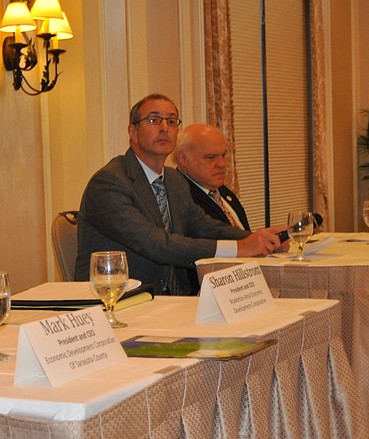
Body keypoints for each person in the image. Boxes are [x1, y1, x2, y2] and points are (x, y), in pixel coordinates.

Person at [75, 94, 285, 296]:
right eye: (154, 120)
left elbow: (205, 226)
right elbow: (157, 244)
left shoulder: (174, 180)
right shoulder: (109, 183)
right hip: (121, 300)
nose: (164, 128)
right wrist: (240, 248)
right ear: (133, 131)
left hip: (174, 298)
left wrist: (261, 239)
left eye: (171, 121)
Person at [175, 123, 251, 231]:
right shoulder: (180, 200)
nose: (222, 164)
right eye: (211, 157)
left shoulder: (222, 191)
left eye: (223, 155)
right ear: (183, 159)